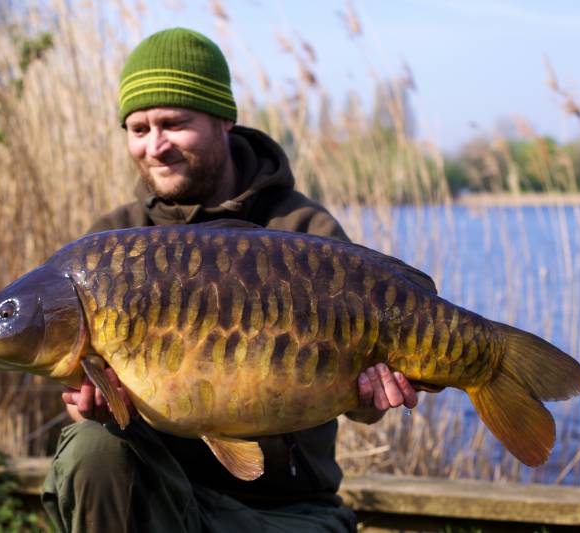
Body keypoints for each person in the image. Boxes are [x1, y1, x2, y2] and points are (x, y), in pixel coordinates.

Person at [41, 28, 421, 533]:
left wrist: (376, 395)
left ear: (223, 119)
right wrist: (92, 409)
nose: (155, 146)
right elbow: (90, 419)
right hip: (161, 497)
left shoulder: (303, 230)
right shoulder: (110, 246)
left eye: (174, 123)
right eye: (138, 129)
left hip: (287, 510)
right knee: (91, 447)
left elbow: (364, 410)